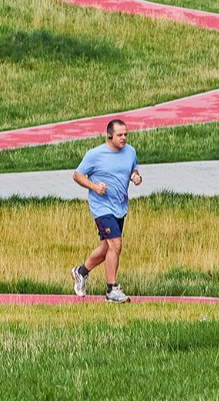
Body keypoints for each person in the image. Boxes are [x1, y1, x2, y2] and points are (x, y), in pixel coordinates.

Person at [70, 119, 142, 303]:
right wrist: (94, 187)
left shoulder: (130, 152)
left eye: (126, 134)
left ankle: (81, 272)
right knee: (116, 245)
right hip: (101, 207)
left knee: (106, 248)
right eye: (120, 135)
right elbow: (77, 175)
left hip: (120, 206)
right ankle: (112, 290)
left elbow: (133, 169)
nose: (124, 138)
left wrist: (135, 177)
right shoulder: (95, 154)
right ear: (109, 135)